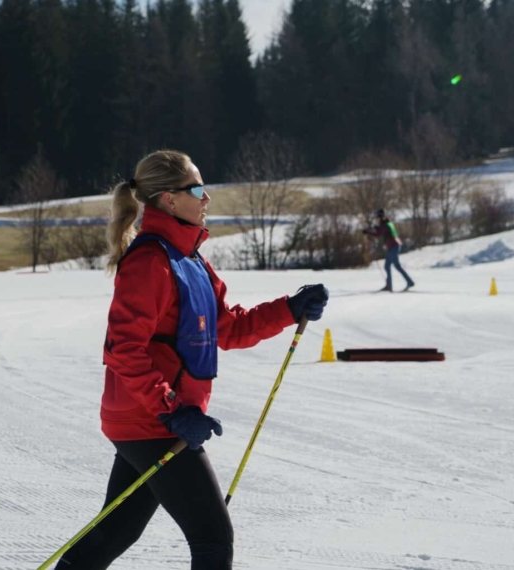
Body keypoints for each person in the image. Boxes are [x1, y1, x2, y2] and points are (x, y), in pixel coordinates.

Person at [57, 150, 329, 570]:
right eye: (198, 189)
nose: (207, 199)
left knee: (116, 532)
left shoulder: (191, 261)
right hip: (153, 420)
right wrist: (172, 411)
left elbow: (229, 328)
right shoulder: (151, 262)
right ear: (168, 199)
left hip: (151, 420)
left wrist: (290, 309)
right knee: (212, 540)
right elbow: (122, 349)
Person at [362, 208, 414, 292]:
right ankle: (390, 285)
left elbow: (379, 234)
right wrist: (375, 228)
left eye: (377, 218)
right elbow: (383, 232)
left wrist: (368, 232)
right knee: (387, 266)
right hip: (393, 246)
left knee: (396, 266)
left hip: (393, 247)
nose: (376, 220)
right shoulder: (388, 223)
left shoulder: (384, 225)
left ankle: (408, 282)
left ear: (380, 218)